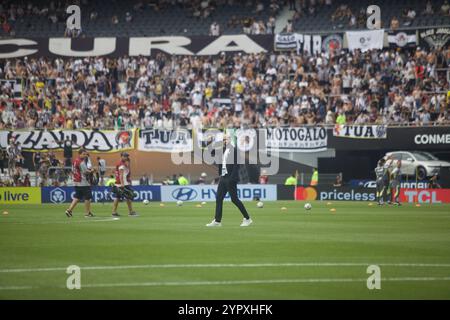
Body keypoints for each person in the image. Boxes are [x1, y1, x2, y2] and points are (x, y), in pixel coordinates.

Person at [206, 134, 252, 227]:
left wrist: (232, 178)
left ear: (230, 140)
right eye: (223, 139)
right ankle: (217, 221)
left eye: (226, 139)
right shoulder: (222, 149)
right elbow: (211, 152)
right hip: (223, 177)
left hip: (230, 178)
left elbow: (236, 165)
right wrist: (209, 142)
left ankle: (247, 218)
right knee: (219, 198)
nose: (224, 141)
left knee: (234, 199)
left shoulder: (234, 150)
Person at [65, 149, 95, 218]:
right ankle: (87, 213)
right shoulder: (81, 162)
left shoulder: (75, 161)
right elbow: (85, 172)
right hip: (83, 182)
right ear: (80, 154)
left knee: (77, 197)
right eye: (83, 154)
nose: (85, 156)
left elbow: (74, 170)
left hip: (76, 181)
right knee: (88, 197)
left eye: (85, 154)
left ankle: (69, 210)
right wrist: (92, 171)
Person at [112, 152, 138, 217]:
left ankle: (114, 212)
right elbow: (121, 175)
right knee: (128, 197)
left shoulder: (121, 163)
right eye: (125, 156)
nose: (126, 157)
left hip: (119, 183)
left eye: (127, 156)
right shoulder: (121, 165)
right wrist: (123, 184)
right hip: (123, 183)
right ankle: (131, 211)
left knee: (117, 198)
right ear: (121, 156)